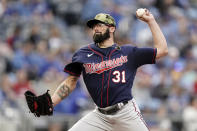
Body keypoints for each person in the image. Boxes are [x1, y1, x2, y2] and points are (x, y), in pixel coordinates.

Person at [25, 9, 168, 131]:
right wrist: (50, 102)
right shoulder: (83, 54)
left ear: (112, 28)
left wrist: (151, 21)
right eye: (94, 26)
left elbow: (162, 50)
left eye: (100, 25)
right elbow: (70, 82)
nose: (96, 29)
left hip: (126, 112)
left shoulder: (128, 52)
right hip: (100, 115)